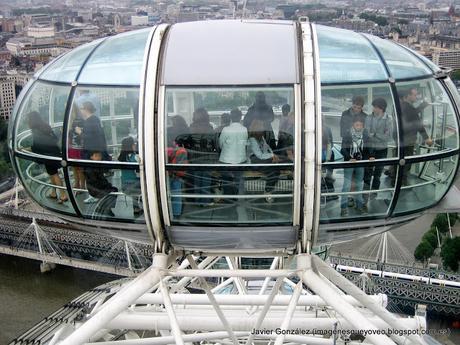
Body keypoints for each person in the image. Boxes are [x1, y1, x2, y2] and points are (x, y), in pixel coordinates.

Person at [27, 111, 67, 203]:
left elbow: (36, 147)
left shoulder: (36, 131)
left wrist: (24, 149)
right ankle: (54, 192)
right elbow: (55, 139)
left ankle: (63, 195)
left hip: (48, 156)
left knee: (55, 175)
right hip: (53, 153)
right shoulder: (45, 126)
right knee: (52, 174)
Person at [340, 115, 373, 216]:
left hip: (360, 162)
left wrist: (371, 156)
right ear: (353, 125)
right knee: (346, 185)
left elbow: (369, 148)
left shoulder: (366, 135)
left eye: (360, 125)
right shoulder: (347, 134)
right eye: (357, 124)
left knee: (359, 185)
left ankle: (359, 206)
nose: (358, 126)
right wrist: (349, 158)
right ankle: (343, 208)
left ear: (363, 126)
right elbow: (343, 149)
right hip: (349, 163)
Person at [399, 87, 433, 183]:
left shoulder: (402, 105)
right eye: (414, 95)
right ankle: (401, 180)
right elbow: (416, 122)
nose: (416, 97)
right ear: (408, 96)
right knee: (407, 159)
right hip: (407, 138)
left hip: (401, 137)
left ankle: (393, 174)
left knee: (400, 155)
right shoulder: (406, 106)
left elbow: (414, 118)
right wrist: (426, 138)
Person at [363, 98, 393, 200]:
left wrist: (375, 134)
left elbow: (388, 137)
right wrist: (379, 136)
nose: (374, 109)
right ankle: (365, 193)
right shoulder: (368, 118)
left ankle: (374, 194)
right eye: (374, 107)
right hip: (370, 148)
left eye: (376, 107)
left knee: (377, 174)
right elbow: (367, 134)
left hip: (382, 149)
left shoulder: (388, 119)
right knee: (367, 172)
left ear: (382, 108)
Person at [188, 108, 216, 206]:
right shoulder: (209, 128)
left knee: (197, 180)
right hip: (207, 157)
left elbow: (188, 143)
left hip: (195, 157)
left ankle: (197, 201)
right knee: (206, 181)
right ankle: (205, 201)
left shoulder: (191, 127)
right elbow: (213, 144)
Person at [247, 119, 280, 202]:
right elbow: (259, 155)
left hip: (262, 159)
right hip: (254, 161)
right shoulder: (252, 139)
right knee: (273, 171)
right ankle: (268, 191)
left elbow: (267, 148)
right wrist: (272, 156)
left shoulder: (261, 138)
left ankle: (268, 190)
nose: (263, 129)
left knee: (276, 169)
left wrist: (273, 156)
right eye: (261, 127)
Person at [219, 108, 248, 196]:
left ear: (231, 117)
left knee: (226, 180)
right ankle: (235, 198)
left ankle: (228, 198)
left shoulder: (226, 129)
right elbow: (245, 144)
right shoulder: (244, 129)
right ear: (240, 117)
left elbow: (221, 144)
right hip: (240, 159)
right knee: (237, 181)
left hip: (226, 159)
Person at [84, 151, 118, 217]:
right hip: (95, 189)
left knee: (114, 190)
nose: (99, 157)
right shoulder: (90, 169)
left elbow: (100, 180)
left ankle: (106, 208)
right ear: (91, 157)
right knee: (113, 191)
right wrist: (107, 185)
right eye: (96, 156)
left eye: (99, 156)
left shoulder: (95, 166)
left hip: (97, 187)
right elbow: (96, 181)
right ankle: (105, 208)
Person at [167, 115, 189, 216]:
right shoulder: (185, 130)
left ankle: (172, 211)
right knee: (177, 189)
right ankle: (177, 211)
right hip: (180, 167)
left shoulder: (169, 132)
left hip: (170, 167)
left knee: (172, 189)